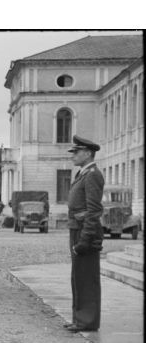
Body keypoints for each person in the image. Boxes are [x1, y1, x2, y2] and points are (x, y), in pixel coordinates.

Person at [65, 135, 104, 332]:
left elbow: (94, 210)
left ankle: (87, 321)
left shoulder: (93, 175)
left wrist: (85, 238)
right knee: (78, 276)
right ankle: (79, 318)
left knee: (87, 277)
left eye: (76, 152)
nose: (73, 156)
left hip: (84, 231)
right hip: (76, 228)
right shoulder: (83, 174)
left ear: (88, 154)